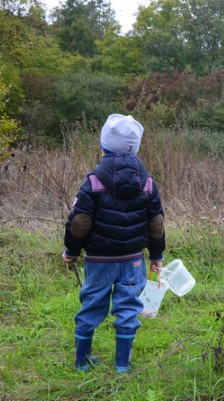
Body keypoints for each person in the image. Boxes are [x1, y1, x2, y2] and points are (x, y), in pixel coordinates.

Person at [62, 114, 166, 373]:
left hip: (99, 260)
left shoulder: (93, 182)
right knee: (129, 308)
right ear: (136, 147)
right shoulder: (147, 183)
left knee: (92, 304)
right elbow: (156, 223)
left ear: (103, 146)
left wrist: (71, 251)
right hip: (133, 260)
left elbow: (80, 222)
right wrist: (156, 256)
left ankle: (82, 361)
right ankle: (122, 365)